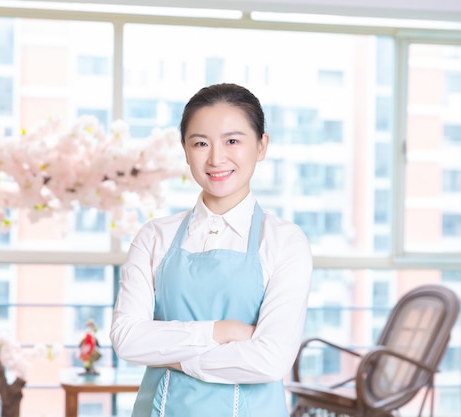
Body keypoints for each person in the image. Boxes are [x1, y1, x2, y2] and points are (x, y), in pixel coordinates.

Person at [110, 83, 313, 417]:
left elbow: (270, 360)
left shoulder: (285, 241)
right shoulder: (154, 236)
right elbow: (127, 339)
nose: (216, 158)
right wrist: (222, 332)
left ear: (261, 146)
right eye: (201, 143)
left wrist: (172, 356)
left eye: (232, 141)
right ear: (186, 150)